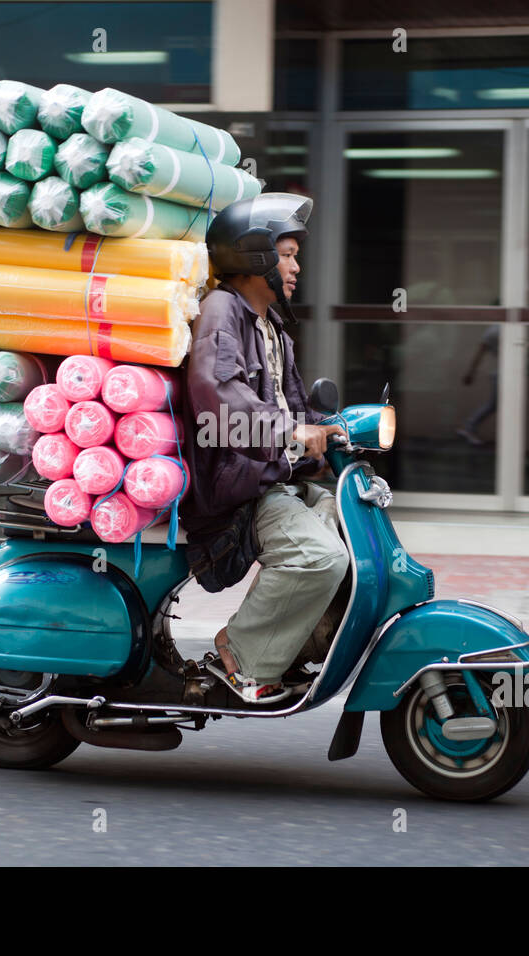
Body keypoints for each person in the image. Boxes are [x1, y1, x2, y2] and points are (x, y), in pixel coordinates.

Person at [180, 193, 349, 704]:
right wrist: (289, 432)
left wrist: (333, 426)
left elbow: (294, 406)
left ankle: (302, 644)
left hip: (273, 479)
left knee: (349, 527)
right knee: (318, 557)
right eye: (287, 253)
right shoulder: (222, 310)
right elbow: (216, 393)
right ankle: (241, 651)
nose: (296, 266)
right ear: (254, 255)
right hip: (237, 487)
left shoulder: (273, 328)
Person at [458, 324, 499, 446]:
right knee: (494, 404)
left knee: (495, 404)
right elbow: (480, 352)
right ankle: (469, 427)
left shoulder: (497, 329)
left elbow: (480, 352)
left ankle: (469, 426)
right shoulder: (495, 330)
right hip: (502, 373)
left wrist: (471, 372)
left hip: (504, 372)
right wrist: (470, 372)